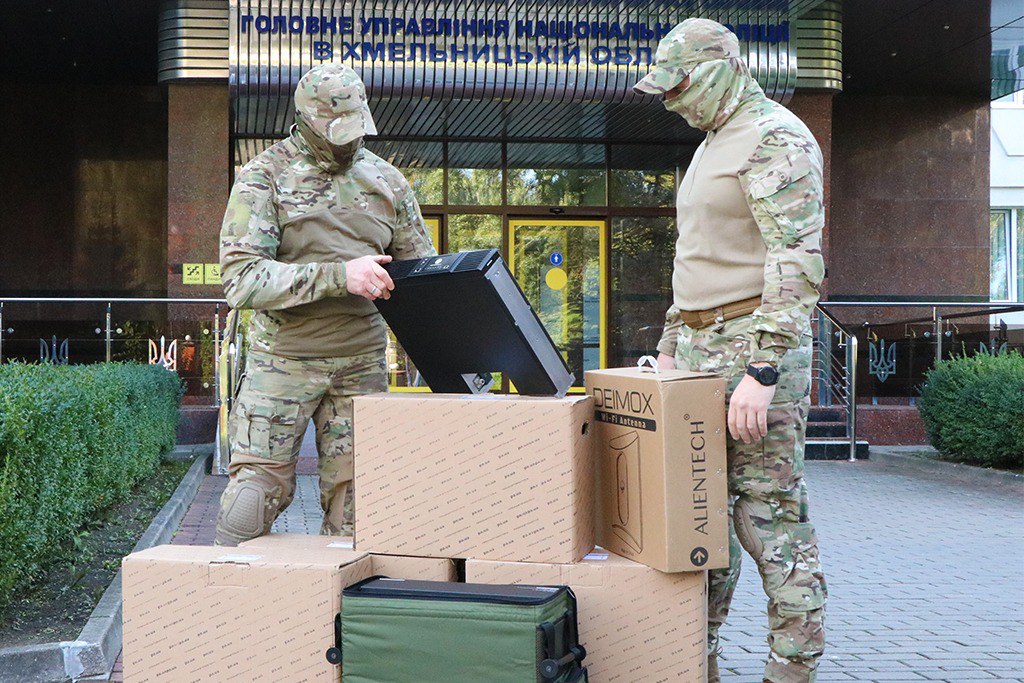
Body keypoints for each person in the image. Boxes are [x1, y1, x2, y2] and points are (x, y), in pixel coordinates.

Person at [634, 18, 828, 683]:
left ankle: (791, 671)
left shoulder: (774, 137)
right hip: (697, 351)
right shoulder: (714, 142)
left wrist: (763, 369)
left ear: (719, 70)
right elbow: (695, 259)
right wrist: (670, 347)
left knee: (770, 520)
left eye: (678, 86)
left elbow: (795, 258)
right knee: (702, 523)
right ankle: (695, 663)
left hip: (751, 348)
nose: (671, 102)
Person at [215, 63, 436, 545]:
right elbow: (241, 281)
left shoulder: (388, 182)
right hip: (282, 363)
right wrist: (341, 276)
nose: (348, 142)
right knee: (250, 505)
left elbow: (421, 278)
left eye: (356, 128)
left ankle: (338, 596)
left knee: (360, 515)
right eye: (336, 131)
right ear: (305, 120)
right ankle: (227, 590)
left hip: (361, 365)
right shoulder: (264, 177)